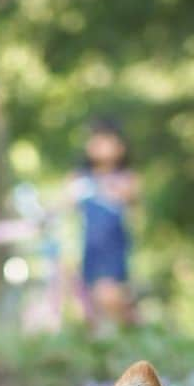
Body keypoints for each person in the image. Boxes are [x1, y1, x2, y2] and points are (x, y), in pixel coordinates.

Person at [67, 119, 139, 327]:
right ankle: (113, 337)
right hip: (87, 248)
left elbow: (132, 197)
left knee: (110, 295)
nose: (97, 145)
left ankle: (132, 324)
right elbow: (63, 204)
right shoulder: (79, 178)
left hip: (114, 246)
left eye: (105, 141)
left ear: (120, 147)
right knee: (90, 306)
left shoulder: (126, 177)